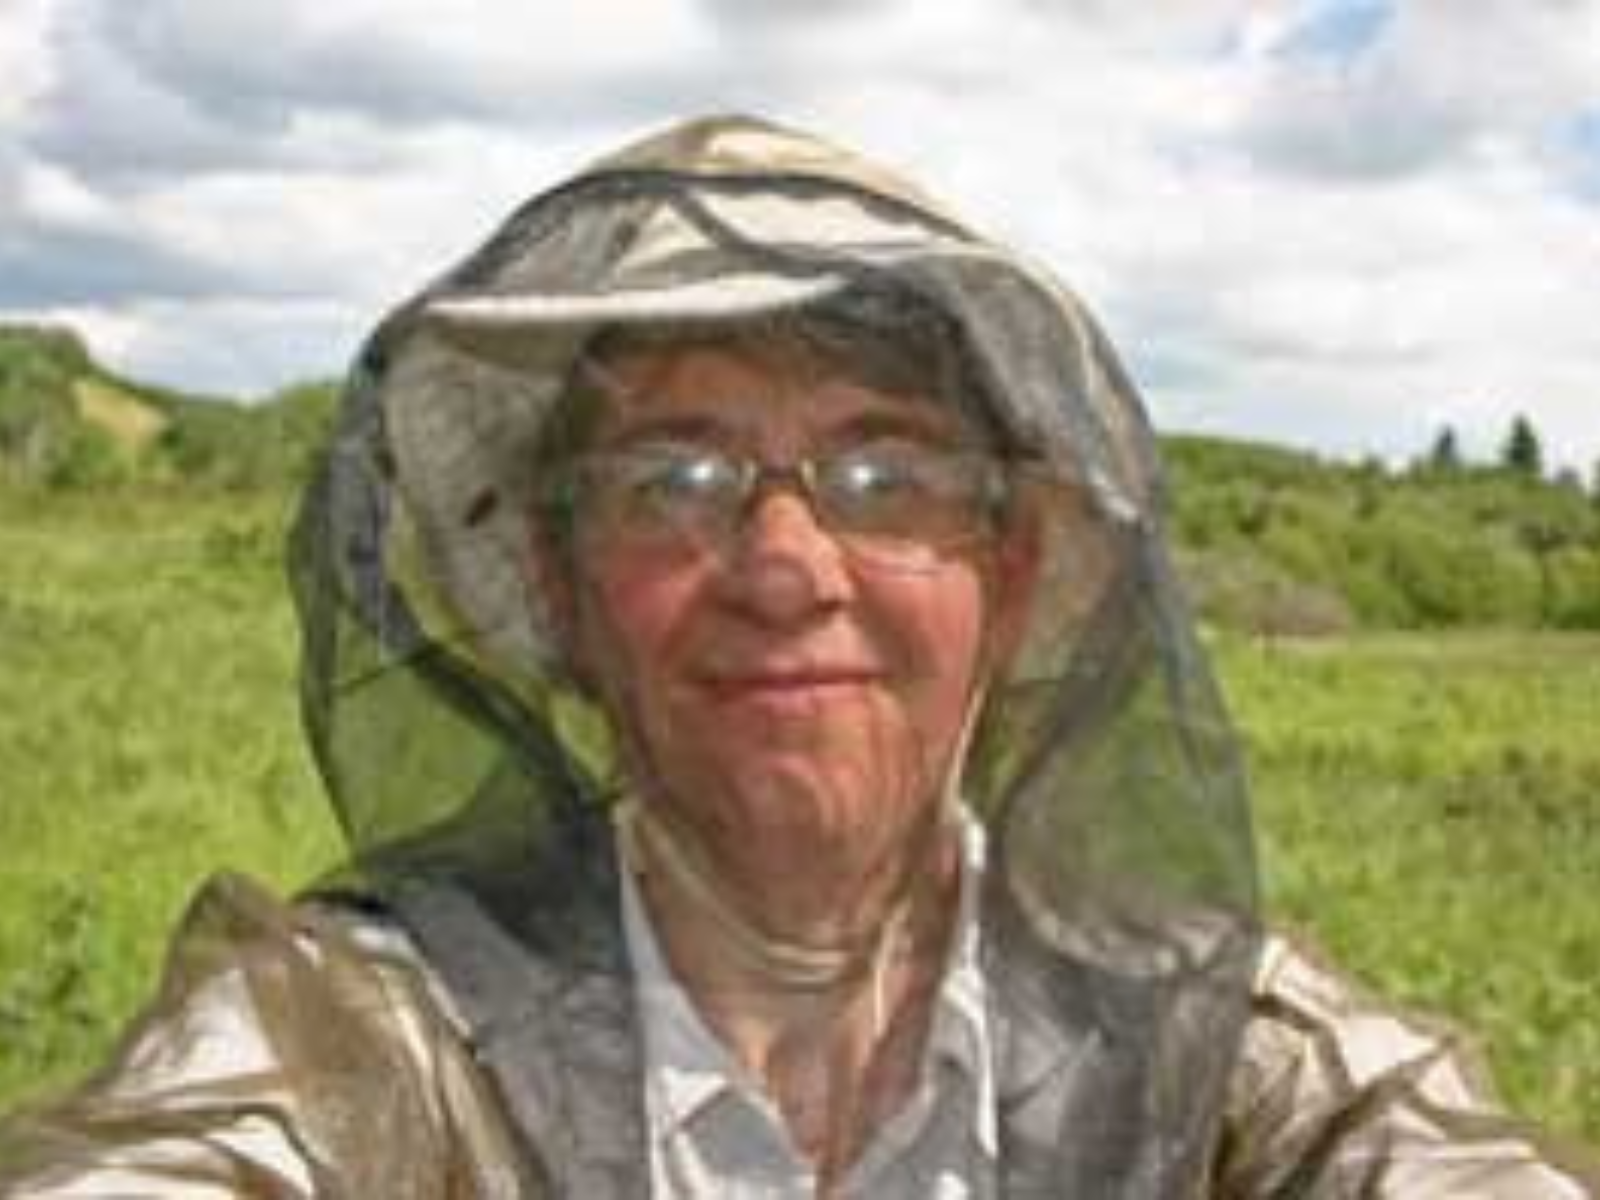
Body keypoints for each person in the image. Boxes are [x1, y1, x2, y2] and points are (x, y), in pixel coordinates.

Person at [1, 114, 1594, 1199]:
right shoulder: (367, 1025)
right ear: (558, 583)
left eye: (885, 477)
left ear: (1010, 564)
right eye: (674, 479)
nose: (782, 567)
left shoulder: (1212, 1036)